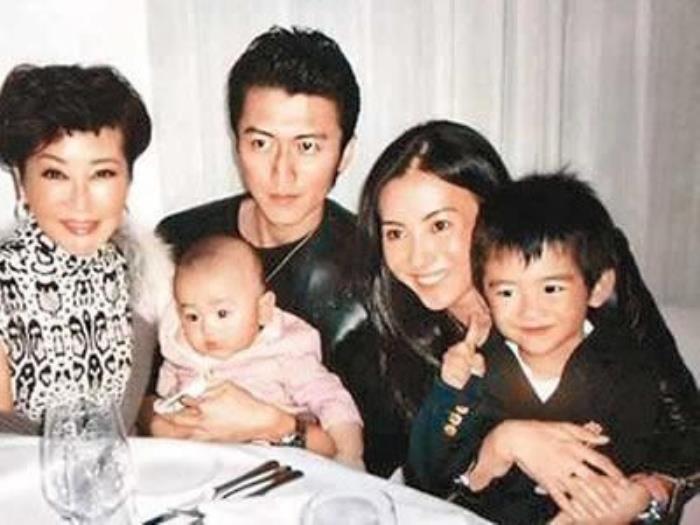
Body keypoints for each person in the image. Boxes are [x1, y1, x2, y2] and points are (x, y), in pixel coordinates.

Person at [356, 120, 699, 518]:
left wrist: (647, 496)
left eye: (439, 225)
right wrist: (505, 442)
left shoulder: (582, 265)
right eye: (395, 233)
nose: (417, 258)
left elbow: (686, 435)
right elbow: (418, 484)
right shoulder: (391, 328)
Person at [149, 26, 405, 476]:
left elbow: (379, 455)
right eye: (261, 143)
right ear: (236, 144)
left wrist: (276, 426)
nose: (282, 172)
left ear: (345, 154)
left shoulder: (374, 268)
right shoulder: (180, 240)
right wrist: (159, 421)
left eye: (307, 146)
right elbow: (135, 391)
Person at [0, 64, 172, 433]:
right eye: (55, 174)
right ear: (21, 181)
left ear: (128, 179)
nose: (80, 201)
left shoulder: (149, 279)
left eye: (102, 173)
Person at [155, 234, 364, 467]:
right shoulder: (179, 355)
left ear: (263, 309)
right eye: (192, 316)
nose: (206, 328)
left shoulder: (285, 353)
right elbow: (161, 405)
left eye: (222, 313)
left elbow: (331, 399)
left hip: (276, 466)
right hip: (201, 466)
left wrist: (349, 456)